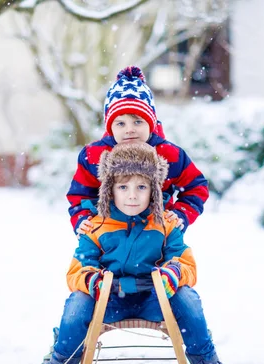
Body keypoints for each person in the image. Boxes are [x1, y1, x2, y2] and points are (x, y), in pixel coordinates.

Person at [19, 143, 254, 364]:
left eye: (141, 187)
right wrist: (94, 281)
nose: (132, 195)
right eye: (123, 187)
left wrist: (172, 273)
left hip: (155, 300)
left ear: (153, 190)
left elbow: (185, 263)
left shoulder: (165, 224)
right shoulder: (96, 226)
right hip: (107, 301)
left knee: (188, 297)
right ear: (110, 190)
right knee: (77, 301)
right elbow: (77, 270)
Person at [67, 65, 209, 236]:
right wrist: (83, 218)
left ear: (151, 123)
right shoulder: (93, 156)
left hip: (157, 234)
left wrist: (182, 214)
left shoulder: (169, 154)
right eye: (121, 123)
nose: (129, 130)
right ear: (110, 126)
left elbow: (196, 186)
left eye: (138, 122)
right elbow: (80, 195)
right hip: (109, 236)